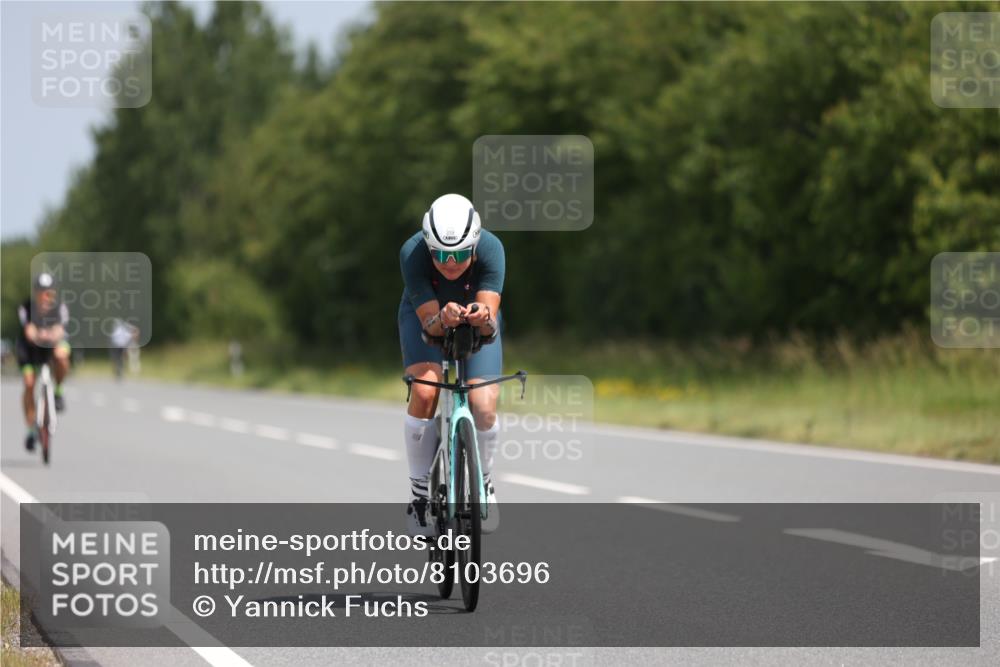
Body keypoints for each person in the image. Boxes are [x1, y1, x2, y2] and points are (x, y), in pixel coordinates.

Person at [399, 194, 504, 537]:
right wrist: (441, 318)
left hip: (475, 321)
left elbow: (489, 322)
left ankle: (484, 481)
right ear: (428, 247)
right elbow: (429, 325)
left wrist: (481, 316)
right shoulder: (412, 253)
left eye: (459, 255)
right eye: (441, 255)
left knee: (483, 403)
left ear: (474, 244)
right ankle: (418, 496)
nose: (450, 263)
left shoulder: (491, 249)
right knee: (426, 392)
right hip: (424, 317)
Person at [16, 272, 71, 450]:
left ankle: (59, 391)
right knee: (29, 383)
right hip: (30, 350)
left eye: (49, 291)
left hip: (51, 346)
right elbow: (29, 331)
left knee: (62, 355)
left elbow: (60, 331)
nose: (45, 295)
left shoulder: (60, 308)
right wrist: (38, 334)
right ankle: (31, 429)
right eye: (41, 291)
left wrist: (51, 335)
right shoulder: (26, 307)